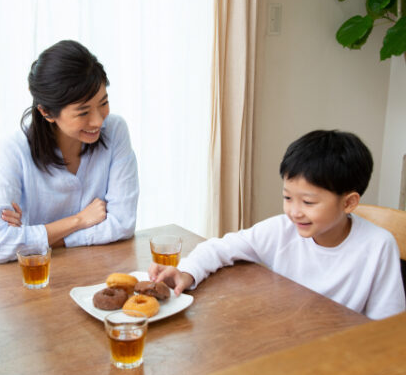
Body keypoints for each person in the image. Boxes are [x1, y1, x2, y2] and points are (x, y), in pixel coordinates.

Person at [149, 130, 406, 320]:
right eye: (287, 197)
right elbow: (221, 248)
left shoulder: (378, 246)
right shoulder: (281, 230)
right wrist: (186, 272)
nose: (294, 212)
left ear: (349, 203)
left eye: (308, 202)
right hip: (285, 338)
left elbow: (389, 325)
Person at [0, 40, 139, 262]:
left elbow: (122, 225)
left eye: (103, 103)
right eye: (83, 112)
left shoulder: (115, 130)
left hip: (93, 269)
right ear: (46, 112)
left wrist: (35, 237)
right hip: (31, 280)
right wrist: (79, 220)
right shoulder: (13, 151)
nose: (98, 120)